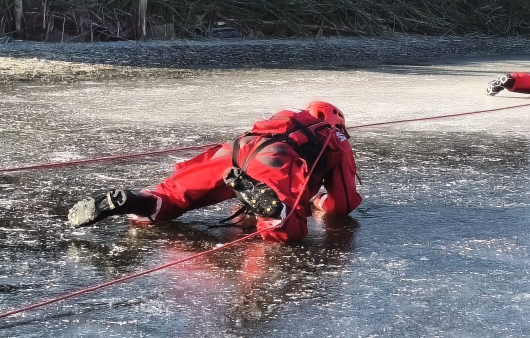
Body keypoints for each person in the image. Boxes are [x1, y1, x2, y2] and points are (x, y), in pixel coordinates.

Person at [67, 101, 362, 244]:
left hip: (236, 149)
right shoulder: (336, 137)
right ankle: (271, 210)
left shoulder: (284, 117)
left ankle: (137, 201)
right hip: (275, 160)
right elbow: (345, 202)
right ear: (339, 122)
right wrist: (318, 202)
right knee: (287, 227)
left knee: (171, 195)